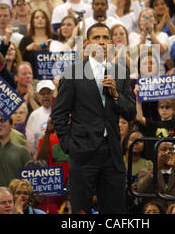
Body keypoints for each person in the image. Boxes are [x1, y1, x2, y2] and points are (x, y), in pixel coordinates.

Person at [52, 23, 136, 214]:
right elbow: (59, 114)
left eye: (105, 38)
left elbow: (131, 113)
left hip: (112, 152)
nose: (101, 42)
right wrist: (69, 145)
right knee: (81, 211)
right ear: (88, 43)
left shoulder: (121, 72)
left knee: (115, 211)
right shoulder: (72, 72)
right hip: (82, 153)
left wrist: (115, 95)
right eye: (97, 38)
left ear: (111, 42)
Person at [136, 141, 175, 211]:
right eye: (164, 149)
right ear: (156, 153)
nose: (168, 152)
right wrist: (156, 168)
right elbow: (140, 190)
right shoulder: (145, 171)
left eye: (171, 150)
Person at [128, 8, 170, 75]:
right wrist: (144, 36)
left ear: (155, 20)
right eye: (144, 17)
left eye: (150, 16)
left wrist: (151, 33)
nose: (147, 19)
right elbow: (134, 53)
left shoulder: (163, 35)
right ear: (139, 21)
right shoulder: (133, 35)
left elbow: (162, 50)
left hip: (159, 73)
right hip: (139, 74)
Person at [19, 9, 57, 78]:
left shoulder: (55, 37)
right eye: (36, 17)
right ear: (32, 21)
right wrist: (27, 49)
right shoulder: (26, 40)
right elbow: (19, 60)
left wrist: (54, 47)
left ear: (47, 21)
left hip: (54, 78)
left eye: (43, 17)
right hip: (32, 79)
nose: (40, 19)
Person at [25, 80, 55, 158]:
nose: (46, 96)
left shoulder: (60, 112)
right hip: (39, 160)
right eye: (42, 94)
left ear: (54, 94)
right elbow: (29, 141)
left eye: (48, 93)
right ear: (38, 96)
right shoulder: (34, 115)